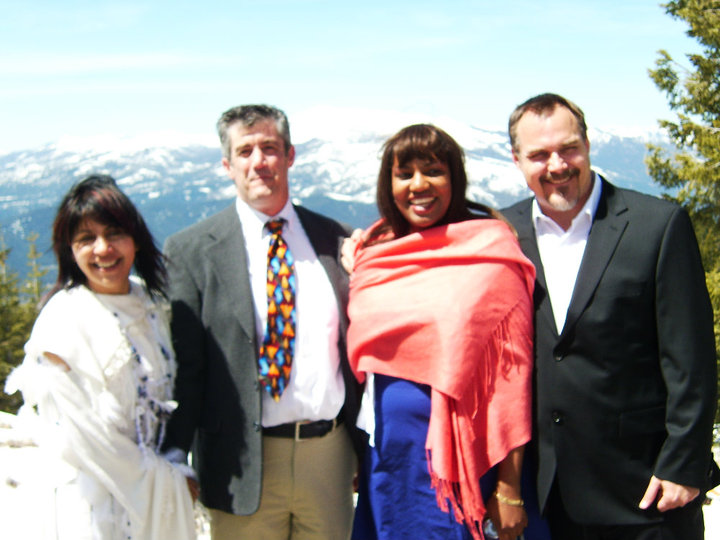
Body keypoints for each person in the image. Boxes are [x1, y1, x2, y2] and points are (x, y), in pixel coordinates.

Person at [502, 92, 719, 539]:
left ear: (587, 144)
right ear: (517, 159)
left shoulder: (656, 225)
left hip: (645, 491)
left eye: (568, 149)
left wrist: (684, 463)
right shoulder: (501, 233)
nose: (557, 165)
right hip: (545, 494)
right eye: (539, 155)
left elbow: (691, 359)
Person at [162, 104, 363, 540]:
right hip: (239, 461)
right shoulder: (192, 251)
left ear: (289, 155)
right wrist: (174, 452)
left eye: (269, 148)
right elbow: (188, 368)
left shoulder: (337, 240)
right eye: (245, 151)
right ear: (227, 165)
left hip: (328, 460)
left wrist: (364, 451)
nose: (259, 162)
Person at [346, 124, 543, 540]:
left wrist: (509, 487)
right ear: (389, 185)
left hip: (462, 461)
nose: (419, 185)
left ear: (454, 178)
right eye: (404, 174)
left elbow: (512, 381)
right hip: (390, 457)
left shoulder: (491, 251)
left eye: (433, 171)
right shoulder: (375, 254)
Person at [4, 175, 197, 540]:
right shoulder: (62, 323)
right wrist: (169, 481)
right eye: (86, 239)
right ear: (70, 250)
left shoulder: (151, 305)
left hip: (151, 501)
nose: (103, 249)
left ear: (135, 239)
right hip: (91, 507)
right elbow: (86, 437)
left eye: (114, 233)